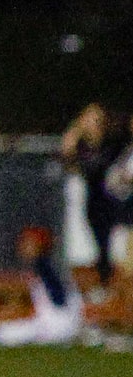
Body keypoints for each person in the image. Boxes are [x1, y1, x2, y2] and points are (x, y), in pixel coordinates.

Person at [60, 103, 125, 295]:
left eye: (97, 118)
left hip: (117, 200)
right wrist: (74, 133)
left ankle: (113, 286)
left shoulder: (114, 141)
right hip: (95, 201)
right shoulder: (82, 145)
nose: (94, 122)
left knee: (115, 246)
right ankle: (106, 284)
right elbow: (68, 158)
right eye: (90, 118)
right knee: (101, 246)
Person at [0, 225, 85, 347]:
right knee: (5, 330)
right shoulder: (49, 265)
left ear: (38, 246)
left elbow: (59, 300)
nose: (22, 246)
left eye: (28, 243)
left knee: (1, 333)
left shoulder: (43, 267)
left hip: (56, 325)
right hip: (66, 323)